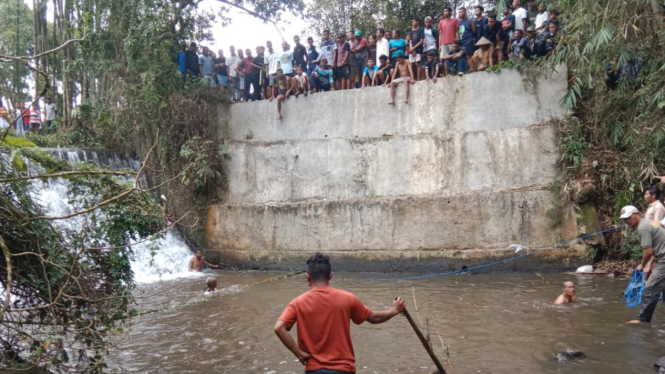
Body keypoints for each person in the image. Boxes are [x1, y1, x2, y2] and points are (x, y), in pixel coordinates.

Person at [274, 252, 406, 373]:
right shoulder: (347, 298)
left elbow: (279, 328)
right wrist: (395, 310)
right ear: (331, 275)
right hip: (343, 370)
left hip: (314, 370)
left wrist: (299, 353)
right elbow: (373, 318)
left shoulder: (297, 303)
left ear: (307, 277)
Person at [621, 205, 665, 324]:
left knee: (649, 288)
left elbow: (648, 251)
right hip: (660, 257)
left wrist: (642, 265)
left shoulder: (642, 228)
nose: (627, 221)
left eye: (629, 218)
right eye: (625, 219)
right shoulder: (648, 222)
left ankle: (643, 320)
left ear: (637, 214)